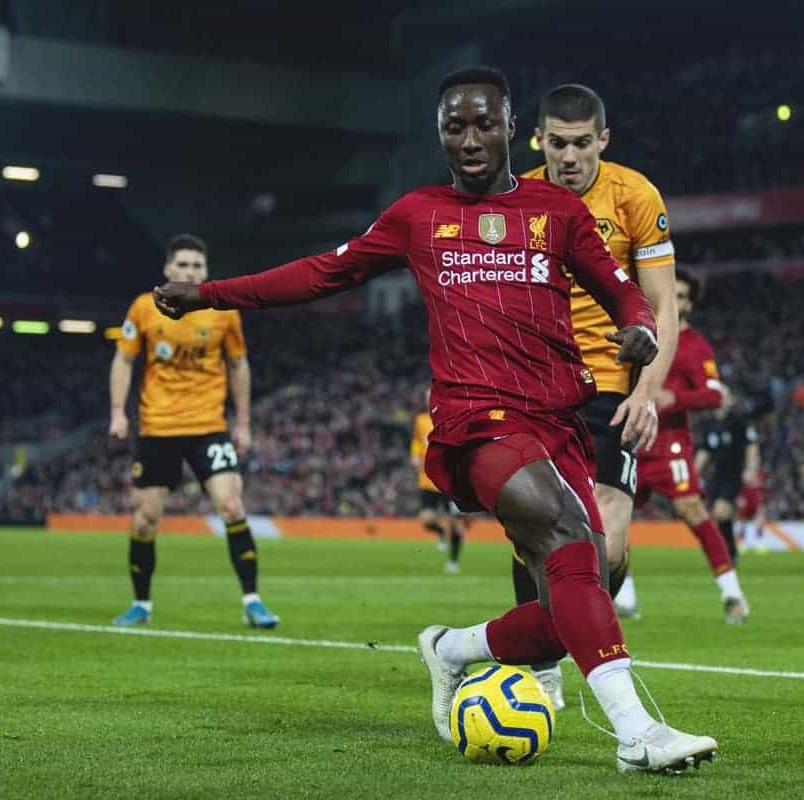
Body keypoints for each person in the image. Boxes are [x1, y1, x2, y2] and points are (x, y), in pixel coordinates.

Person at [153, 66, 718, 774]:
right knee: (571, 539)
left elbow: (623, 293)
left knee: (565, 611)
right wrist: (207, 293)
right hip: (476, 423)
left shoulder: (557, 213)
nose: (471, 138)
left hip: (560, 421)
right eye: (456, 126)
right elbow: (319, 273)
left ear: (512, 129)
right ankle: (639, 734)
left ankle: (451, 649)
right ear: (441, 135)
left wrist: (637, 329)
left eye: (484, 124)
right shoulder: (418, 215)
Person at [514, 83, 679, 703]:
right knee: (535, 531)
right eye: (557, 143)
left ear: (603, 141)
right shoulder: (517, 201)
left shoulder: (635, 196)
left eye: (582, 143)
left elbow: (663, 306)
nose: (570, 156)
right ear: (540, 141)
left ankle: (555, 641)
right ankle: (542, 671)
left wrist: (648, 394)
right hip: (534, 387)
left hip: (611, 386)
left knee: (606, 545)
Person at [109, 234, 279, 629]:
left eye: (196, 266)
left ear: (206, 271)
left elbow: (239, 366)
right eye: (182, 265)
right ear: (168, 269)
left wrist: (243, 423)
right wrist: (118, 412)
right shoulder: (143, 308)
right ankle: (141, 605)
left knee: (233, 506)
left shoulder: (223, 310)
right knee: (144, 520)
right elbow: (123, 360)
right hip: (158, 427)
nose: (189, 271)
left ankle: (253, 601)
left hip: (208, 426)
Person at [635, 270, 749, 623]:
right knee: (608, 518)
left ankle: (732, 594)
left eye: (684, 296)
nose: (678, 301)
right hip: (630, 438)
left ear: (690, 304)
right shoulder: (638, 334)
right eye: (674, 293)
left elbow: (716, 395)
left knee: (692, 509)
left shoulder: (696, 345)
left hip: (669, 442)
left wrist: (675, 397)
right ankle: (622, 599)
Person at [696, 392, 761, 561]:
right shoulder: (709, 424)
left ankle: (728, 552)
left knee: (721, 510)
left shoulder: (738, 421)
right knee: (717, 514)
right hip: (715, 475)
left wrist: (751, 468)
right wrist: (694, 471)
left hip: (733, 473)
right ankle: (729, 550)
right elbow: (705, 450)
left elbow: (751, 445)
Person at [410, 397, 466, 573]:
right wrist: (415, 456)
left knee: (456, 525)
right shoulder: (421, 420)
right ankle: (441, 532)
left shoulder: (454, 418)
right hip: (428, 481)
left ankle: (453, 562)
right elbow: (418, 442)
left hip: (450, 481)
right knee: (426, 520)